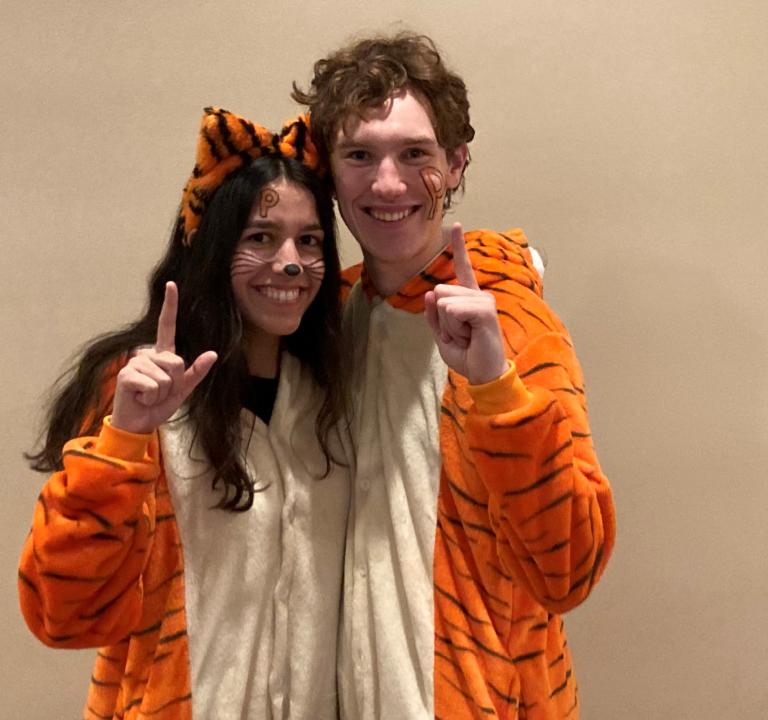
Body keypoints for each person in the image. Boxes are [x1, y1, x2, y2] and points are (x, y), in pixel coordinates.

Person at [293, 32, 617, 719]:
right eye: (360, 155)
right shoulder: (327, 317)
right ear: (329, 172)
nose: (387, 183)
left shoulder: (516, 326)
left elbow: (570, 570)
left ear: (457, 161)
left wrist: (497, 389)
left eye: (415, 154)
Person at [18, 108, 348, 720]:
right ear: (213, 250)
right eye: (260, 238)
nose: (292, 262)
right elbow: (62, 616)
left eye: (309, 240)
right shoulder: (135, 388)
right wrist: (121, 448)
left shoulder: (335, 395)